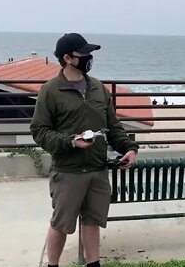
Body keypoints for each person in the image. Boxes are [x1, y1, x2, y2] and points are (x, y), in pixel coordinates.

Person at [30, 33, 139, 267]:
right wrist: (70, 141)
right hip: (68, 171)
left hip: (98, 170)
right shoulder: (50, 91)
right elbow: (40, 131)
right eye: (84, 54)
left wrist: (129, 148)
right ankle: (53, 265)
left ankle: (93, 264)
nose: (89, 58)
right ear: (68, 58)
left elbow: (113, 126)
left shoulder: (99, 88)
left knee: (92, 221)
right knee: (61, 223)